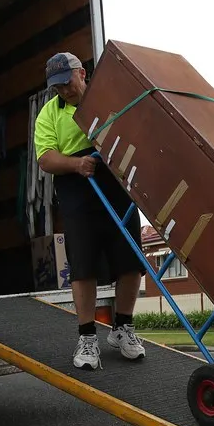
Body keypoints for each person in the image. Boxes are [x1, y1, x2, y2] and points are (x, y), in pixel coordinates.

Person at [33, 51, 146, 370]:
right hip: (76, 185)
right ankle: (87, 338)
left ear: (81, 73)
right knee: (82, 263)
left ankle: (123, 328)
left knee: (130, 259)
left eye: (67, 83)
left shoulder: (108, 98)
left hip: (114, 178)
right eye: (58, 88)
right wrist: (76, 164)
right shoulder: (48, 114)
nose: (64, 91)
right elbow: (46, 159)